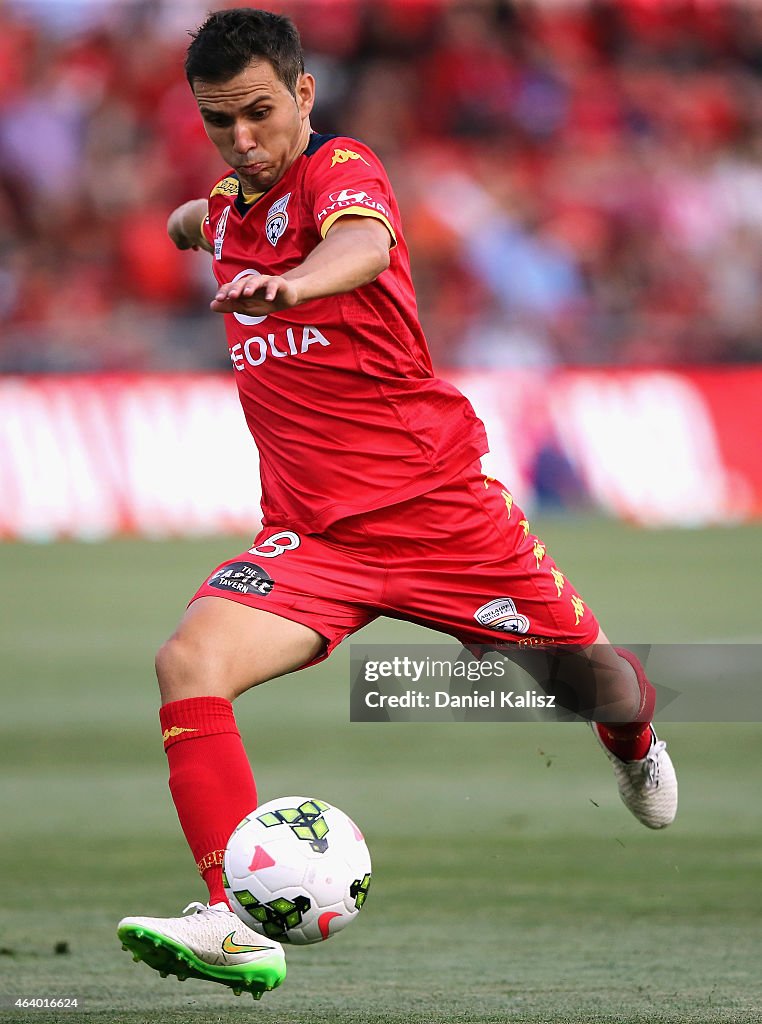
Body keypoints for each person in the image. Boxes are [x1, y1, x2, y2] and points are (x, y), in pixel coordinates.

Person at [117, 7, 677, 1001]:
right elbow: (205, 215)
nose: (242, 140)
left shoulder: (342, 172)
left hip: (442, 518)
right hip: (314, 539)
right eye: (217, 122)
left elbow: (367, 245)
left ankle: (631, 745)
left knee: (603, 687)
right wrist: (188, 222)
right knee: (187, 660)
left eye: (257, 113)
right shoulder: (233, 202)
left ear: (302, 94)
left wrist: (289, 291)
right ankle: (229, 920)